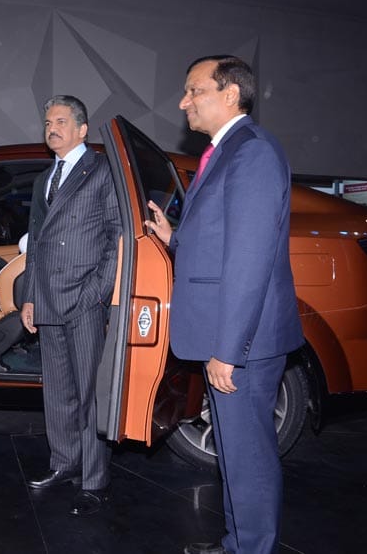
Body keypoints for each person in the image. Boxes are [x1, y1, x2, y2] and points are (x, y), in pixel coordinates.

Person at [146, 56, 303, 554]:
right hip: (231, 338)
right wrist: (176, 238)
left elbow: (249, 261)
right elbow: (219, 243)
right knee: (236, 456)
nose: (183, 101)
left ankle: (251, 549)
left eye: (194, 90)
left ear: (231, 93)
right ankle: (239, 542)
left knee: (248, 457)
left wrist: (228, 350)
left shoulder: (251, 153)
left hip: (243, 344)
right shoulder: (227, 151)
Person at [20, 95, 121, 516]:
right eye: (47, 122)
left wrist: (97, 292)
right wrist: (27, 297)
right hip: (46, 297)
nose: (52, 128)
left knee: (88, 395)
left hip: (84, 299)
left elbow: (117, 237)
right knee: (58, 393)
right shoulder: (44, 178)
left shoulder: (101, 172)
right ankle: (63, 463)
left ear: (82, 129)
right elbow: (35, 245)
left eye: (61, 121)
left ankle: (94, 479)